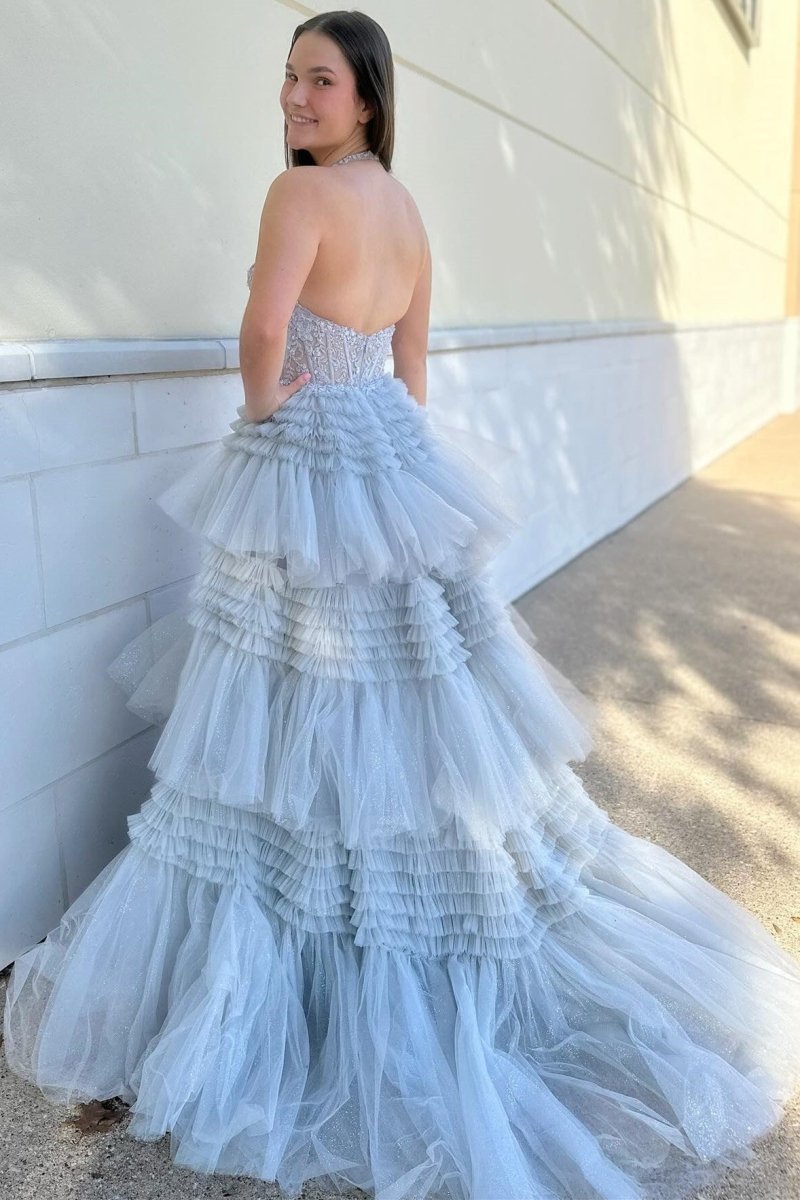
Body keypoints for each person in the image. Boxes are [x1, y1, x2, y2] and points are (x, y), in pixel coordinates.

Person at [5, 9, 800, 1200]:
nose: (293, 97)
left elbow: (263, 333)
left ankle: (308, 928)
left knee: (286, 701)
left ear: (367, 97)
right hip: (389, 444)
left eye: (317, 80)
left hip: (310, 450)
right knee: (410, 694)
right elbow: (412, 371)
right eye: (287, 77)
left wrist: (269, 426)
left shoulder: (297, 196)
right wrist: (387, 466)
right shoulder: (409, 211)